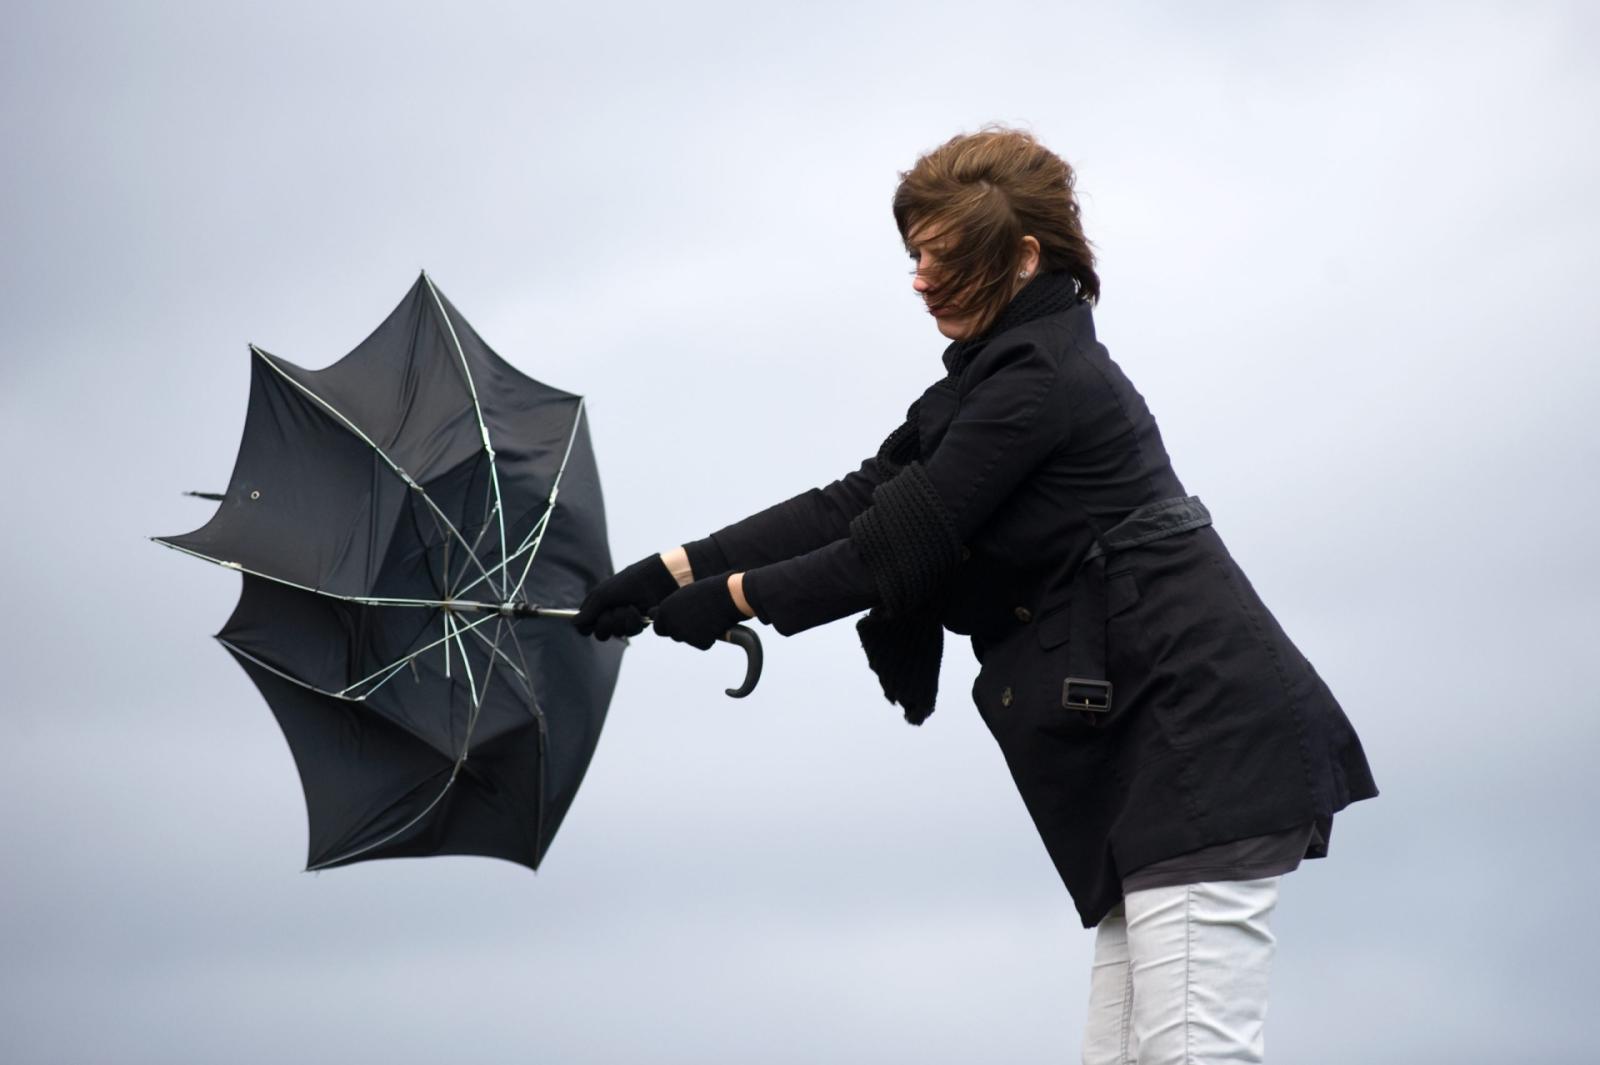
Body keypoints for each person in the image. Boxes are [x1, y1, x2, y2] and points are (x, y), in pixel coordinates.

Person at [573, 126, 1378, 1064]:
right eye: (913, 255)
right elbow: (862, 499)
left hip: (1200, 745)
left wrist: (734, 599)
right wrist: (674, 570)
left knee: (1194, 1054)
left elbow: (893, 547)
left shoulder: (1042, 382)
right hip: (1150, 761)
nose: (918, 278)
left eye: (941, 255)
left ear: (1024, 255)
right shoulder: (992, 382)